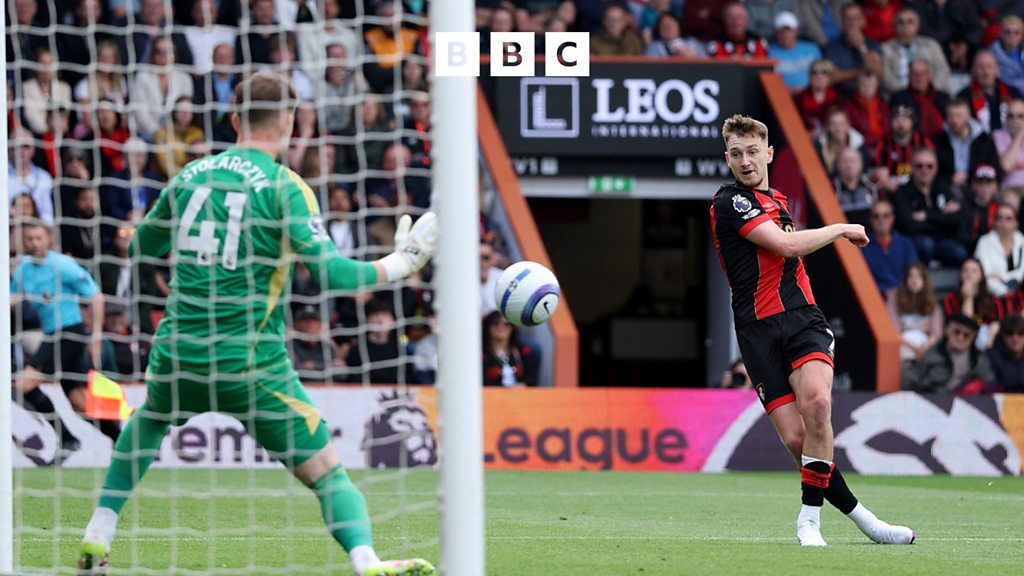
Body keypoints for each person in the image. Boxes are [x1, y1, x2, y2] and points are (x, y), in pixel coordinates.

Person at [77, 74, 437, 576]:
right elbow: (333, 275)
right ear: (289, 121)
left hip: (179, 352)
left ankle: (98, 531)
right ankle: (366, 561)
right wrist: (402, 262)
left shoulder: (190, 175)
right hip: (250, 364)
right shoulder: (286, 187)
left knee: (150, 420)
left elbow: (139, 249)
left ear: (233, 119)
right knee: (329, 474)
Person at [710, 114, 914, 547]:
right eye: (736, 154)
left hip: (802, 320)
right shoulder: (729, 202)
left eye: (752, 152)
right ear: (727, 159)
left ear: (768, 154)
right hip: (757, 333)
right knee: (799, 439)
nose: (745, 161)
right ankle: (868, 522)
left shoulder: (780, 200)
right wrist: (840, 228)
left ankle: (809, 521)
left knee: (819, 405)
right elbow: (786, 245)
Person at [10, 221, 120, 460]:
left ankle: (68, 439)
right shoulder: (23, 269)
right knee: (80, 404)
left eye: (39, 238)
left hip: (70, 333)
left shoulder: (62, 265)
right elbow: (12, 298)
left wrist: (96, 335)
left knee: (22, 385)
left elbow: (96, 296)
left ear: (49, 239)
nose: (34, 243)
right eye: (29, 239)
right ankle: (123, 442)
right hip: (52, 336)